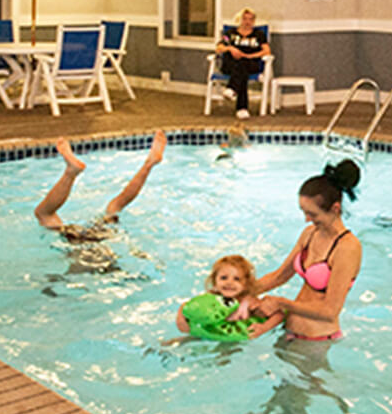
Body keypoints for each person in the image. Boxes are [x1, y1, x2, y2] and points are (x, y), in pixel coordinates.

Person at [252, 160, 363, 342]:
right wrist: (237, 292)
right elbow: (279, 276)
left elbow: (329, 311)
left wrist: (282, 303)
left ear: (335, 209)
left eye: (312, 214)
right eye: (303, 212)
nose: (306, 219)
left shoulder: (347, 247)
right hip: (288, 332)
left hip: (316, 340)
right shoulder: (310, 233)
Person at [33, 132, 165, 273]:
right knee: (44, 214)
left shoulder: (82, 268)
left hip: (90, 241)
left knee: (115, 206)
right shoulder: (90, 267)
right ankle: (71, 172)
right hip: (83, 241)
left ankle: (148, 164)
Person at [174, 255, 283, 342]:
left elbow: (279, 314)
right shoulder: (213, 297)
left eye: (237, 279)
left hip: (234, 338)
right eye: (223, 278)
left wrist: (263, 328)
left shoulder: (248, 302)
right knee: (191, 337)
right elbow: (188, 307)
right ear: (214, 280)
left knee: (226, 351)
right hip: (214, 331)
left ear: (246, 284)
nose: (229, 283)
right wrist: (181, 319)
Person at [215, 8, 271, 119]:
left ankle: (232, 88)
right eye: (245, 19)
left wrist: (249, 56)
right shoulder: (230, 33)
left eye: (250, 19)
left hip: (250, 63)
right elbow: (219, 47)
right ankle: (242, 108)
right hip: (231, 64)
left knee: (242, 65)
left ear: (254, 21)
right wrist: (230, 48)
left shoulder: (258, 34)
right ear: (240, 20)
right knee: (241, 71)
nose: (247, 22)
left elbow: (267, 51)